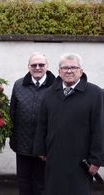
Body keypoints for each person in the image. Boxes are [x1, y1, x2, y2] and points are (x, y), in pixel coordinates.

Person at [34, 53, 104, 195]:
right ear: (59, 71)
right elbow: (42, 124)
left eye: (73, 67)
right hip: (54, 158)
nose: (69, 71)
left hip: (81, 162)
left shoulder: (96, 93)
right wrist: (40, 149)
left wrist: (96, 160)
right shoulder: (49, 93)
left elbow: (100, 128)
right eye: (65, 68)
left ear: (81, 70)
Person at [9, 52, 55, 195]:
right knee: (23, 182)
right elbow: (12, 112)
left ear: (47, 66)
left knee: (41, 183)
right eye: (34, 65)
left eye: (41, 65)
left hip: (45, 147)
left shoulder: (56, 86)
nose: (37, 67)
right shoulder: (18, 84)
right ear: (28, 67)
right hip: (22, 144)